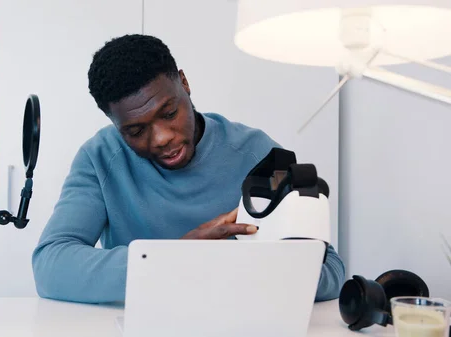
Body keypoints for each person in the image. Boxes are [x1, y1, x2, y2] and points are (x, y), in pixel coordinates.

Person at [32, 34, 345, 304]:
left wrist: (231, 266)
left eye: (169, 113)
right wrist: (173, 260)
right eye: (136, 131)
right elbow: (51, 265)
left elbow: (329, 270)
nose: (162, 138)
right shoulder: (100, 157)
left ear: (184, 82)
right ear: (115, 124)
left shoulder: (259, 154)